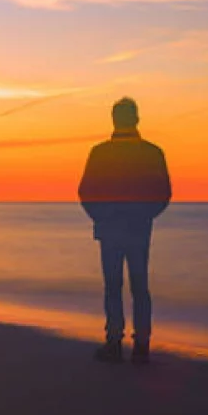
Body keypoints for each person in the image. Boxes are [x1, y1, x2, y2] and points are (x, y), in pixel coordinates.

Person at [78, 97, 171, 364]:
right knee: (139, 286)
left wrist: (102, 215)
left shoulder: (100, 152)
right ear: (137, 119)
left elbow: (86, 192)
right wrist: (145, 214)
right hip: (139, 228)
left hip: (111, 228)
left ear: (114, 120)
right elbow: (163, 193)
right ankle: (141, 345)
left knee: (113, 286)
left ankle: (114, 342)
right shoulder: (152, 152)